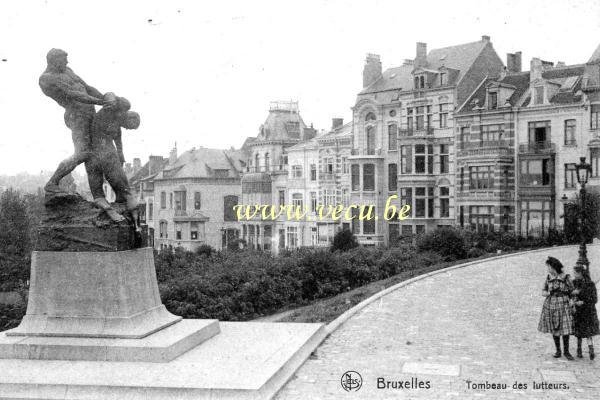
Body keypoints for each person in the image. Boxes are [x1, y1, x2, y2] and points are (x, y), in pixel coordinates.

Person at [39, 48, 116, 194]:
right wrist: (101, 102)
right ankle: (52, 182)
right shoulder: (46, 78)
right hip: (77, 115)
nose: (67, 62)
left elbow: (86, 87)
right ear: (54, 61)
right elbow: (74, 94)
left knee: (94, 153)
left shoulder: (67, 70)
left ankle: (99, 195)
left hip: (89, 112)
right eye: (63, 59)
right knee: (82, 153)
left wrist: (104, 98)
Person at [84, 94, 140, 226]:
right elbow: (110, 95)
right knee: (126, 191)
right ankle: (135, 224)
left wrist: (120, 153)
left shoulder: (115, 121)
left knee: (98, 193)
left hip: (92, 155)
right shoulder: (116, 109)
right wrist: (111, 99)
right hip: (105, 152)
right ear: (128, 116)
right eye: (129, 126)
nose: (127, 128)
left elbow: (118, 139)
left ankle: (113, 212)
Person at [538, 256, 575, 360]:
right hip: (551, 305)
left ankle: (566, 352)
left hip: (564, 305)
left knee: (565, 328)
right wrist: (549, 292)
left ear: (553, 267)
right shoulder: (548, 278)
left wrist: (572, 300)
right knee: (555, 328)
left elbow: (572, 291)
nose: (548, 269)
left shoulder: (566, 277)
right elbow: (543, 292)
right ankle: (558, 350)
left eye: (548, 266)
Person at [572, 264, 598, 360]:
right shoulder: (574, 283)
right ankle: (579, 350)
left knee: (587, 332)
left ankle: (590, 350)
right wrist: (574, 301)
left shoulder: (590, 284)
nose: (574, 275)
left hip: (587, 311)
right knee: (580, 332)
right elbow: (571, 295)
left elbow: (595, 299)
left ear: (580, 273)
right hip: (579, 311)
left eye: (575, 273)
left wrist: (583, 302)